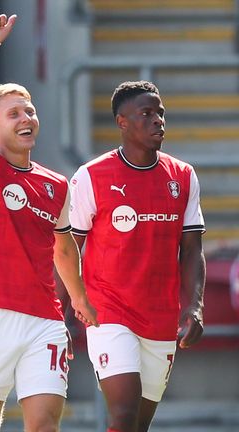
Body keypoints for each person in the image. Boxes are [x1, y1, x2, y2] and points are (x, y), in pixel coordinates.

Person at [0, 14, 98, 432]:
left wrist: (79, 298)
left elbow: (63, 246)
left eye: (30, 111)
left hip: (45, 322)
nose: (26, 118)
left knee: (43, 425)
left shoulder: (57, 185)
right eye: (14, 113)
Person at [69, 80, 206, 432]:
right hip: (109, 313)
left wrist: (194, 306)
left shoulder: (183, 177)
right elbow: (68, 247)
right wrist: (65, 306)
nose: (158, 120)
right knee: (124, 413)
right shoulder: (91, 176)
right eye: (146, 113)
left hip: (161, 317)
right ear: (122, 122)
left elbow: (192, 249)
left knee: (137, 425)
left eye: (160, 113)